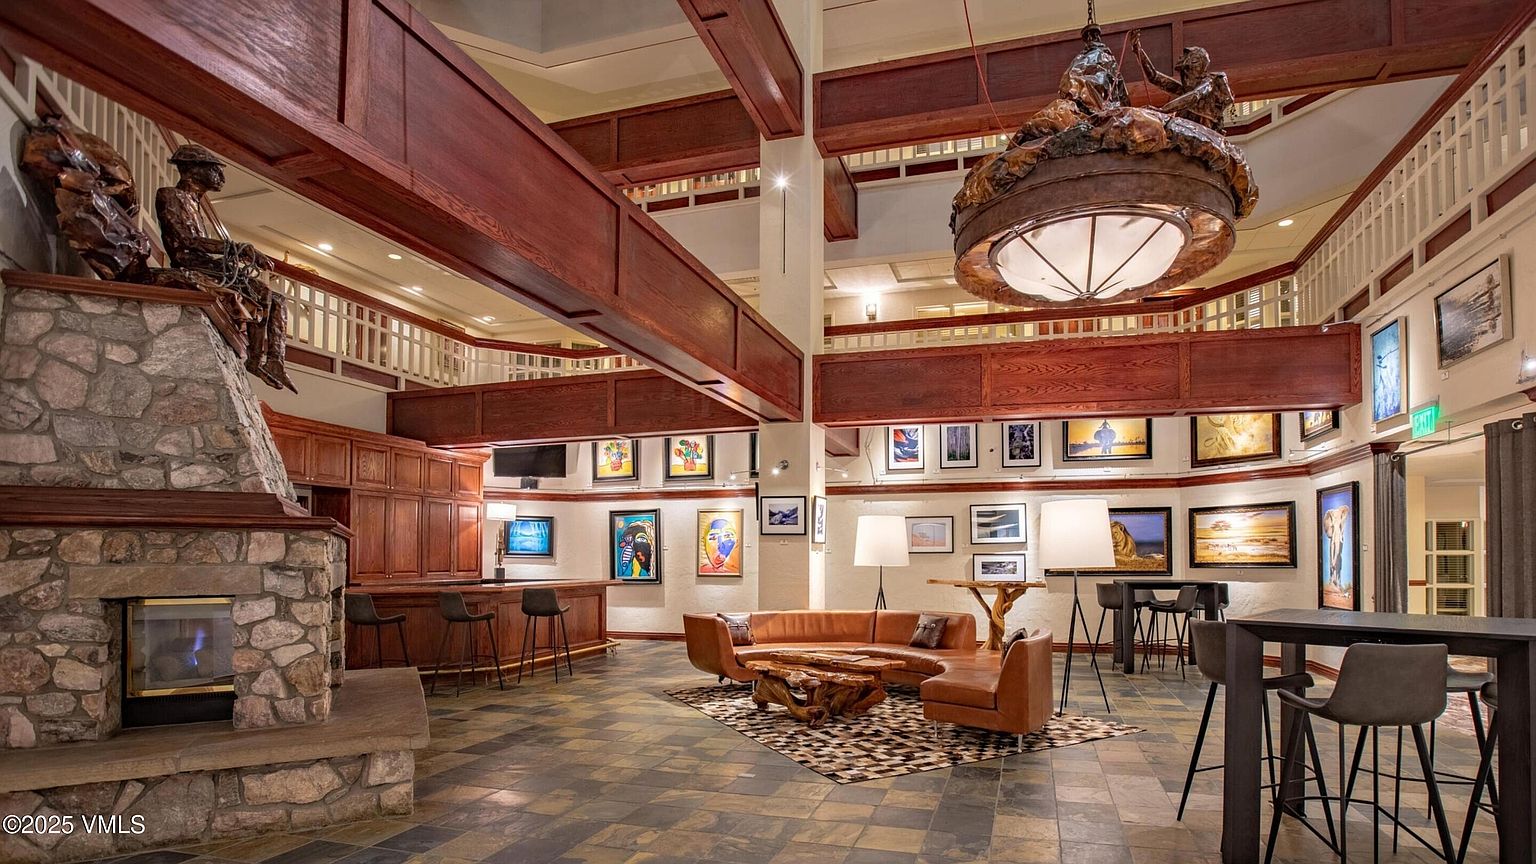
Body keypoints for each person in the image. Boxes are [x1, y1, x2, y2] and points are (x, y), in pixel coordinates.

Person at [155, 144, 295, 392]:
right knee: (262, 293)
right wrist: (239, 249)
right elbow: (185, 241)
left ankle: (273, 361)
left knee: (278, 300)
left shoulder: (196, 204)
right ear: (194, 169)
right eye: (215, 170)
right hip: (194, 264)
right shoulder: (170, 196)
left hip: (211, 265)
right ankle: (255, 360)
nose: (221, 177)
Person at [1129, 33, 1234, 133]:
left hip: (1202, 130)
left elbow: (1195, 95)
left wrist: (1163, 110)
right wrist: (1138, 49)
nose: (1180, 57)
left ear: (1194, 61)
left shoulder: (1210, 82)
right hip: (1184, 128)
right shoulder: (1184, 91)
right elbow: (1154, 77)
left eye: (1185, 54)